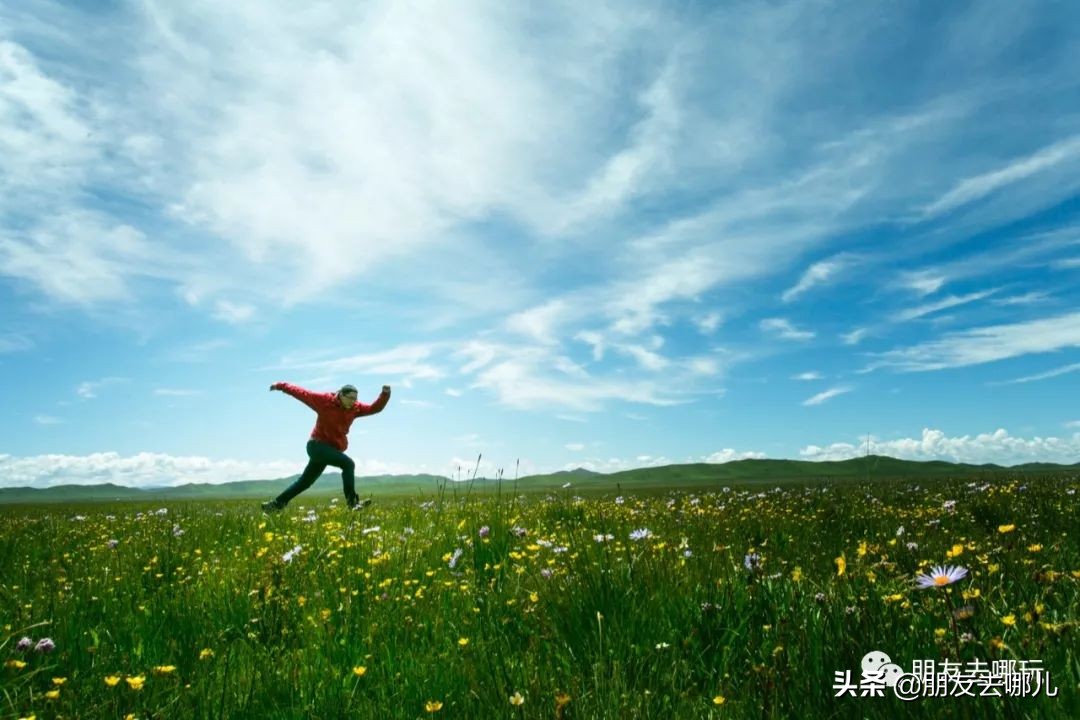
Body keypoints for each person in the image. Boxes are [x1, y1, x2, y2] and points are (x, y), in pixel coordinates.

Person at [262, 382, 391, 512]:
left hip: (329, 450)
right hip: (316, 446)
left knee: (305, 482)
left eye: (355, 398)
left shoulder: (355, 408)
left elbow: (374, 408)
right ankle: (352, 503)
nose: (353, 401)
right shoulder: (324, 401)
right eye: (350, 398)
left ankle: (275, 505)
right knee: (348, 464)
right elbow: (302, 393)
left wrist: (385, 394)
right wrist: (280, 386)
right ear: (341, 395)